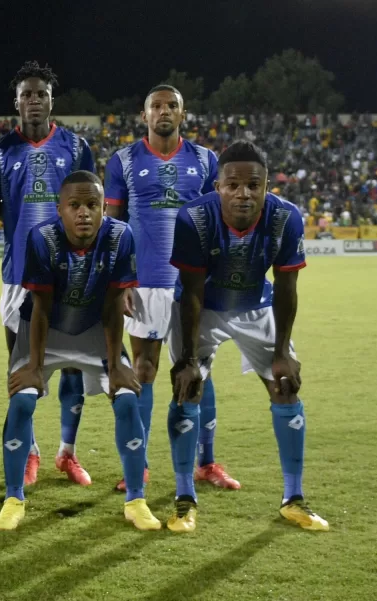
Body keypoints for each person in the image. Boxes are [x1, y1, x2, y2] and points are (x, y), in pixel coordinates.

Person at [166, 140, 329, 533]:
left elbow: (287, 287)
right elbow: (190, 291)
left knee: (286, 386)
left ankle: (294, 499)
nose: (243, 193)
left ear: (266, 185)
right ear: (217, 186)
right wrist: (188, 359)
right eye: (233, 185)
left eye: (253, 185)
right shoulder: (193, 218)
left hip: (257, 306)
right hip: (201, 308)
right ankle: (185, 497)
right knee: (187, 388)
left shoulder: (286, 217)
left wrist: (281, 352)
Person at [0, 170, 160, 531]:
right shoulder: (42, 238)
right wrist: (35, 366)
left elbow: (116, 302)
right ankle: (12, 498)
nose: (84, 212)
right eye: (75, 205)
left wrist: (116, 365)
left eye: (92, 205)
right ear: (60, 209)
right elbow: (39, 307)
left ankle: (136, 500)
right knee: (22, 400)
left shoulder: (120, 235)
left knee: (128, 398)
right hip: (44, 328)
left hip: (94, 327)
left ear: (104, 209)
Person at [104, 85, 239, 492]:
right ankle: (139, 467)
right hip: (145, 283)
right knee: (142, 371)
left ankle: (206, 463)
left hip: (192, 284)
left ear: (183, 114)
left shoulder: (205, 160)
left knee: (198, 372)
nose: (164, 112)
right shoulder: (123, 160)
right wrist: (120, 282)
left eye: (171, 106)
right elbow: (114, 226)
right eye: (156, 106)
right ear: (144, 115)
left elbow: (215, 219)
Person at [0, 60, 95, 487]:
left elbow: (90, 212)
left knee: (74, 368)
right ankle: (29, 452)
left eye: (40, 94)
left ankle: (67, 452)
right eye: (26, 94)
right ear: (16, 102)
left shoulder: (77, 148)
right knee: (22, 367)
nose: (33, 101)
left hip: (72, 274)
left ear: (50, 100)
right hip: (19, 276)